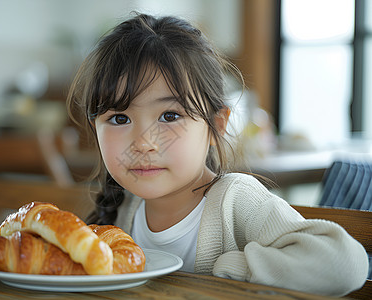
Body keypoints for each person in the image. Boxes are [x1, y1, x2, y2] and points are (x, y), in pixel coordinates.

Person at [67, 13, 368, 296]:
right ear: (96, 129)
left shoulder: (235, 201)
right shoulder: (125, 210)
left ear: (215, 126)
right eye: (120, 119)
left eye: (170, 116)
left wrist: (237, 269)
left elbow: (346, 264)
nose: (144, 143)